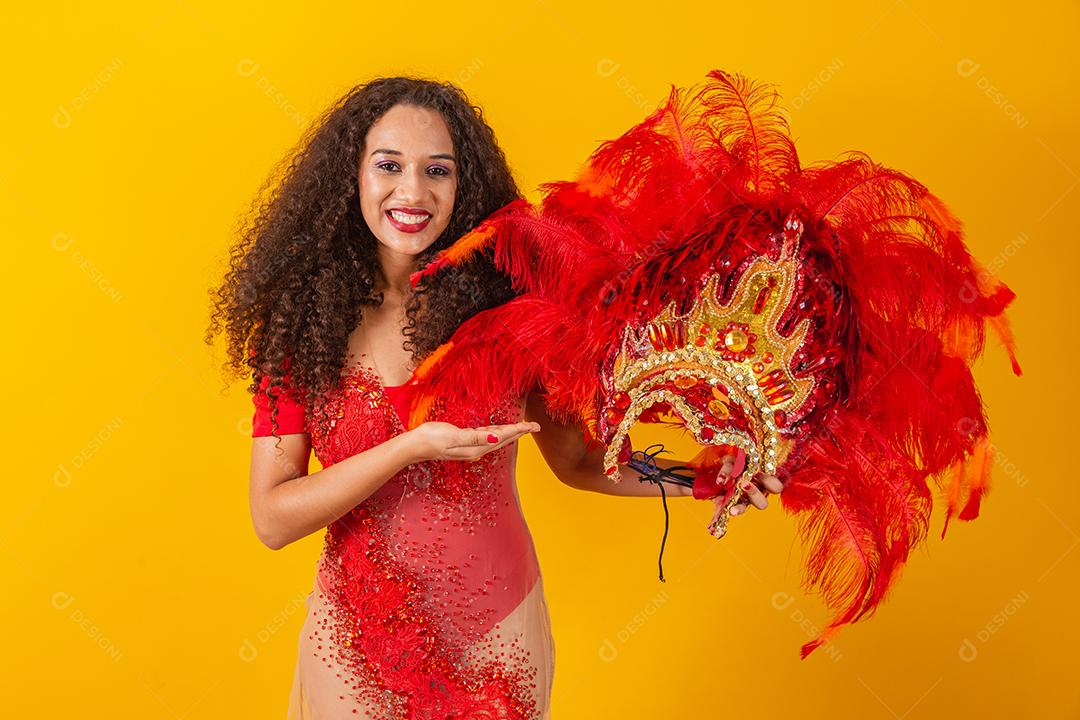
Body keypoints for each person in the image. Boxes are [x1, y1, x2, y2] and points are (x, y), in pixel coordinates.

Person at [208, 76, 779, 720]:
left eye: (439, 171)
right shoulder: (301, 325)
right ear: (351, 177)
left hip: (498, 638)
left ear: (465, 186)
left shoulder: (512, 305)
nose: (413, 192)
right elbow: (273, 518)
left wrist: (698, 475)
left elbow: (579, 461)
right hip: (355, 646)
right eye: (389, 166)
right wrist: (413, 447)